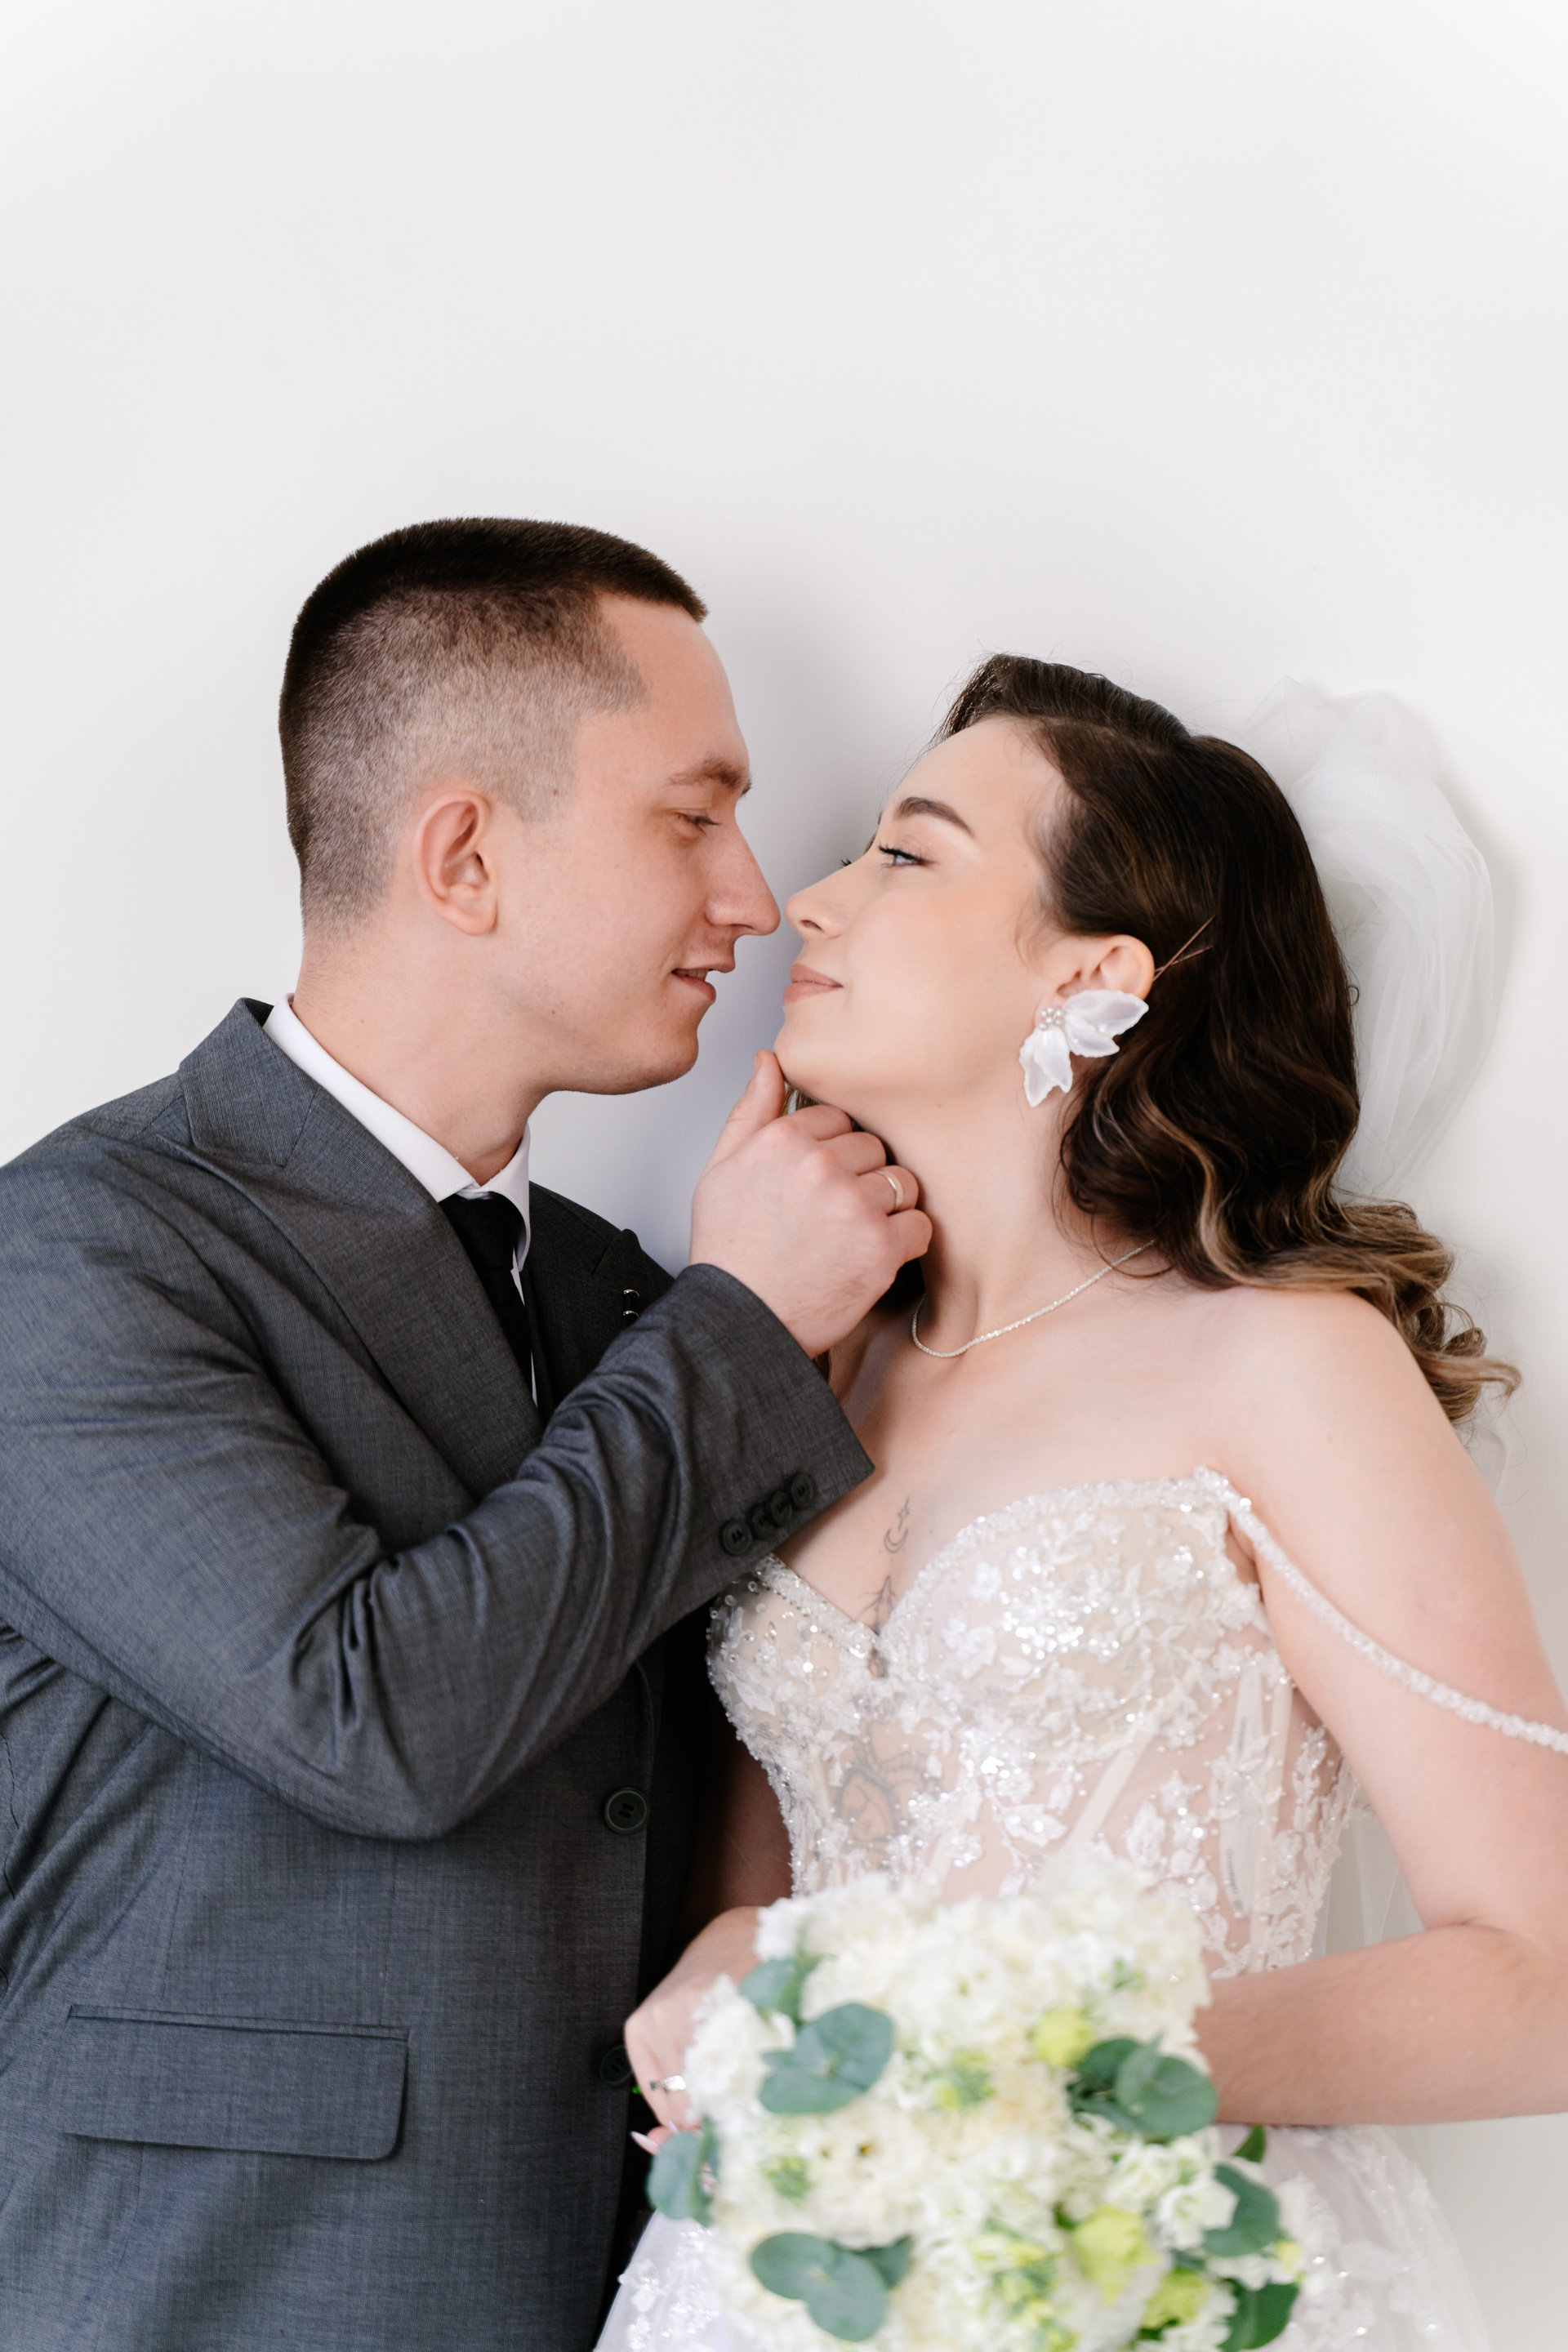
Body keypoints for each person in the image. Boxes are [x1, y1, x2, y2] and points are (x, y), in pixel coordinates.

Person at [0, 519, 933, 2352]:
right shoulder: (75, 1250)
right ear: (462, 856)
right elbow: (365, 1718)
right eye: (693, 818)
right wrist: (743, 1328)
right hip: (210, 2292)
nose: (754, 901)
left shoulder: (619, 1287)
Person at [604, 658, 1568, 2352]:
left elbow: (1544, 1978)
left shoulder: (1283, 1364)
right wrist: (723, 1963)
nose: (810, 899)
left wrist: (1034, 2068)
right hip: (793, 2280)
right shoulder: (820, 1370)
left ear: (1092, 975)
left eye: (907, 854)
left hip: (1163, 2269)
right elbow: (768, 1900)